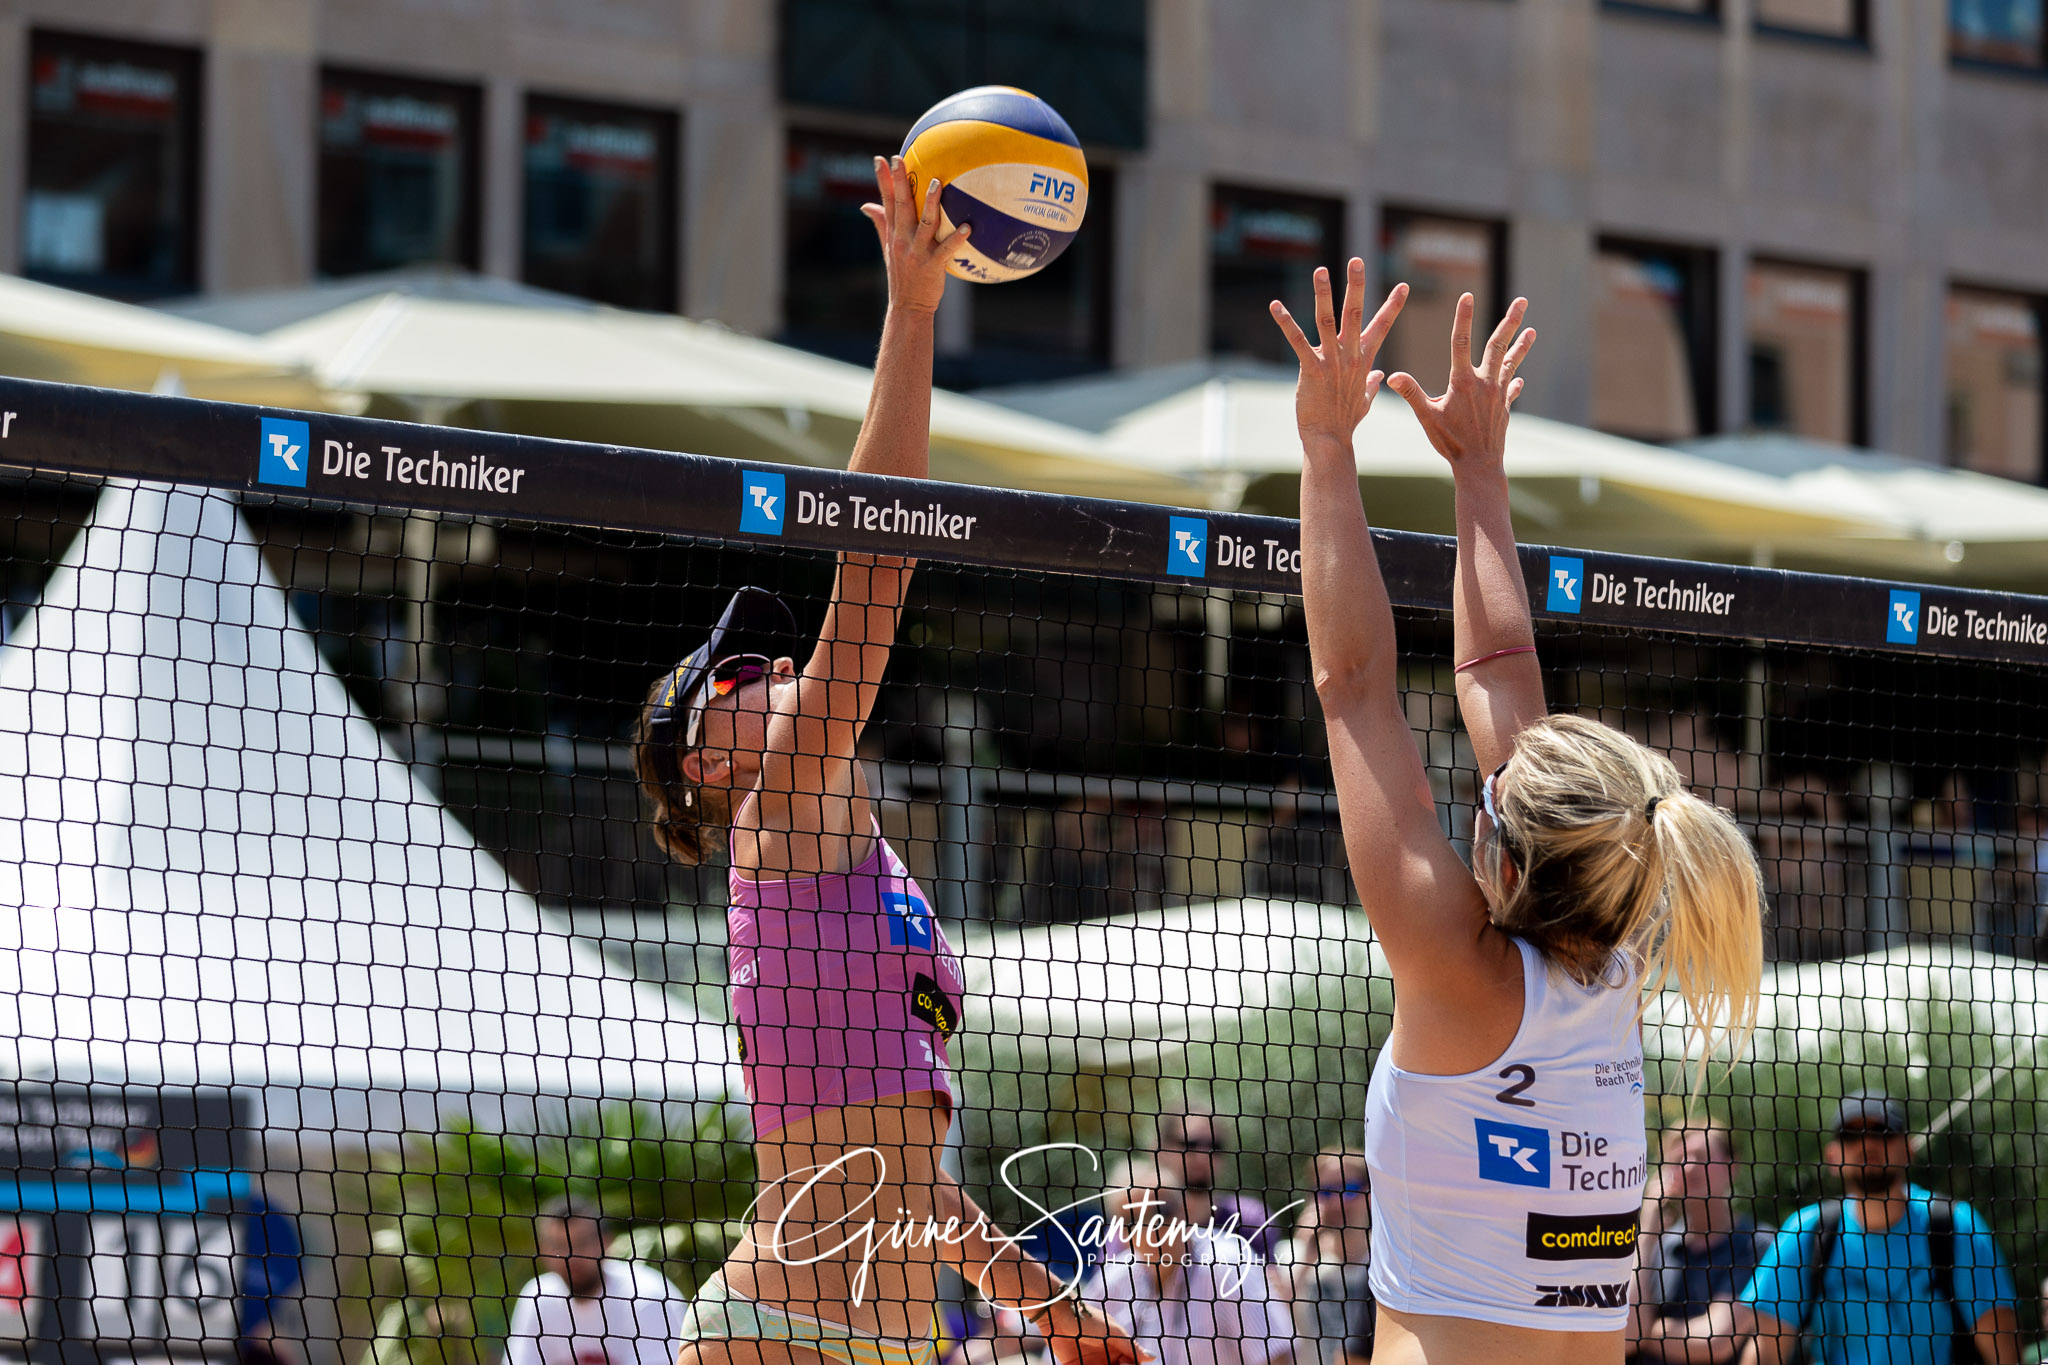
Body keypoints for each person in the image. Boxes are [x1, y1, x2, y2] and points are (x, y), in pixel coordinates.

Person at [636, 153, 1145, 1365]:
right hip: (777, 1329)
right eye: (730, 681)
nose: (760, 671)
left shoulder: (867, 878)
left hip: (894, 1336)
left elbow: (915, 1194)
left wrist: (1062, 1316)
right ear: (709, 770)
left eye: (756, 663)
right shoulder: (776, 815)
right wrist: (911, 312)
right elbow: (874, 567)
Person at [1270, 259, 1767, 1365]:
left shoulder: (1460, 971)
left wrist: (1328, 444)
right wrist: (1469, 473)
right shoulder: (1614, 977)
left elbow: (1361, 684)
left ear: (1498, 841)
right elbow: (1472, 682)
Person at [1657, 1091, 2022, 1365]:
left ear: (1908, 1149)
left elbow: (2004, 1351)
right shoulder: (1806, 1233)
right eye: (1851, 1135)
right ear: (1833, 1157)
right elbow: (1768, 1351)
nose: (1867, 1144)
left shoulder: (1955, 1228)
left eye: (1882, 1132)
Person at [1084, 1164, 1297, 1365]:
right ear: (1121, 1233)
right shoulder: (1113, 1281)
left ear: (1185, 1211)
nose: (1151, 1228)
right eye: (1134, 1219)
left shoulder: (1227, 1264)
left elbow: (1277, 1358)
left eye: (1161, 1211)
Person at [1626, 1124, 1774, 1363]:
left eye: (1702, 1157)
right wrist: (1647, 1231)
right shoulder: (1656, 1245)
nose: (1689, 1166)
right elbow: (1624, 1336)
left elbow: (1714, 1342)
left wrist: (1646, 1330)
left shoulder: (1758, 1244)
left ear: (1731, 1167)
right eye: (1679, 1159)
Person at [502, 1196, 692, 1365]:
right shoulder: (537, 1297)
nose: (569, 1256)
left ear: (605, 1242)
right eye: (558, 1246)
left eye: (581, 1243)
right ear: (543, 1250)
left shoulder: (648, 1296)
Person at [1275, 1148, 1375, 1365]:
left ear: (1369, 1194)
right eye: (1327, 1191)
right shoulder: (1289, 1255)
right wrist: (1305, 1254)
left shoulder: (1386, 1261)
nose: (1338, 1202)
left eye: (1349, 1189)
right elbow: (1270, 1323)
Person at [1155, 1111, 1281, 1262]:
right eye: (1190, 1144)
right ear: (1161, 1150)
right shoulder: (1139, 1218)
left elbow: (1270, 1284)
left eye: (1215, 1146)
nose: (1203, 1156)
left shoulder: (1250, 1220)